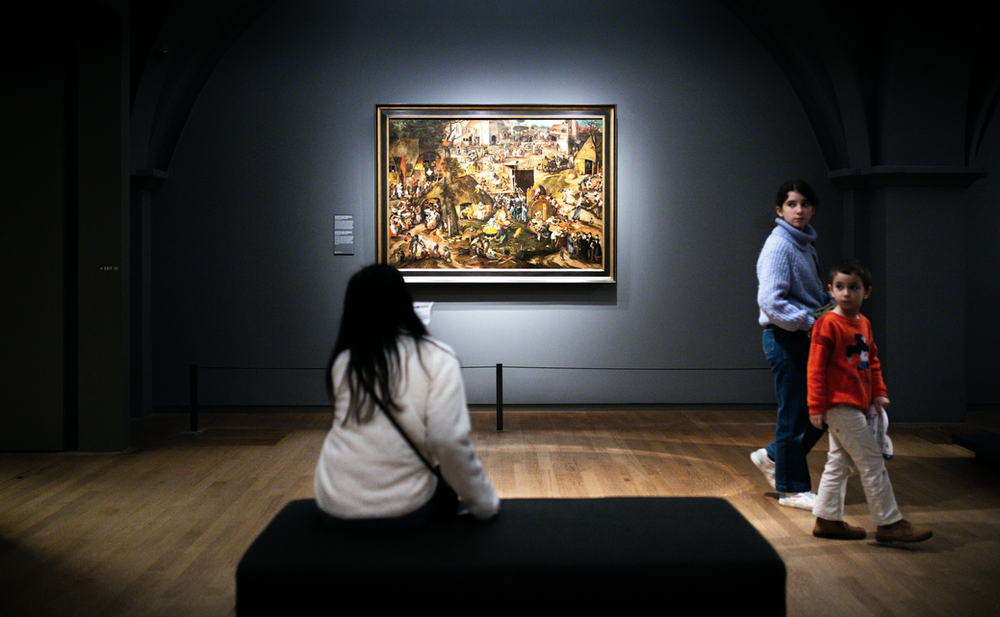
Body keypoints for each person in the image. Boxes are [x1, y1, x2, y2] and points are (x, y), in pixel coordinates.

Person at [313, 264, 500, 529]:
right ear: (404, 301)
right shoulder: (436, 358)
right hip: (403, 507)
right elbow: (448, 441)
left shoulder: (345, 361)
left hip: (333, 503)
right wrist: (485, 504)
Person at [808, 260, 932, 542]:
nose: (846, 293)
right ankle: (889, 524)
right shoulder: (827, 324)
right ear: (830, 290)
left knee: (839, 462)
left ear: (867, 292)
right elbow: (815, 368)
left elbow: (871, 361)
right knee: (871, 462)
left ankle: (827, 520)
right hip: (839, 406)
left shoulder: (863, 323)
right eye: (840, 287)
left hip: (860, 404)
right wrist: (815, 406)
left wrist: (879, 392)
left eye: (854, 287)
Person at [751, 180, 830, 509]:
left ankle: (772, 457)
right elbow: (771, 301)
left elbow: (810, 296)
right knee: (796, 414)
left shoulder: (805, 245)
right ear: (779, 210)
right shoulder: (779, 245)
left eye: (805, 204)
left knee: (819, 413)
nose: (799, 210)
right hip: (786, 338)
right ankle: (793, 489)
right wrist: (812, 322)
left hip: (805, 337)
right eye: (792, 204)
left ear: (812, 208)